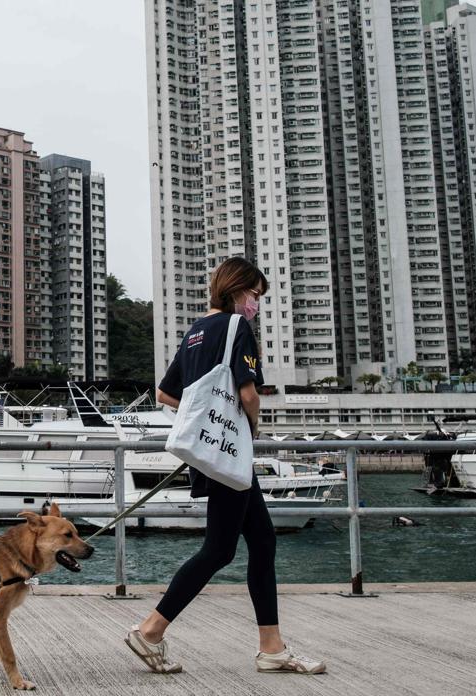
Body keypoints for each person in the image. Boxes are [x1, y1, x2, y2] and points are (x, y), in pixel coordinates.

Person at [123, 256, 326, 675]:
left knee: (262, 541)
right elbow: (248, 393)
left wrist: (207, 418)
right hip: (231, 452)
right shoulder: (237, 327)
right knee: (219, 549)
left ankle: (272, 648)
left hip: (209, 452)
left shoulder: (196, 332)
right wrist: (245, 426)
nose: (255, 304)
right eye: (254, 294)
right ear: (236, 290)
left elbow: (166, 394)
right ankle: (151, 629)